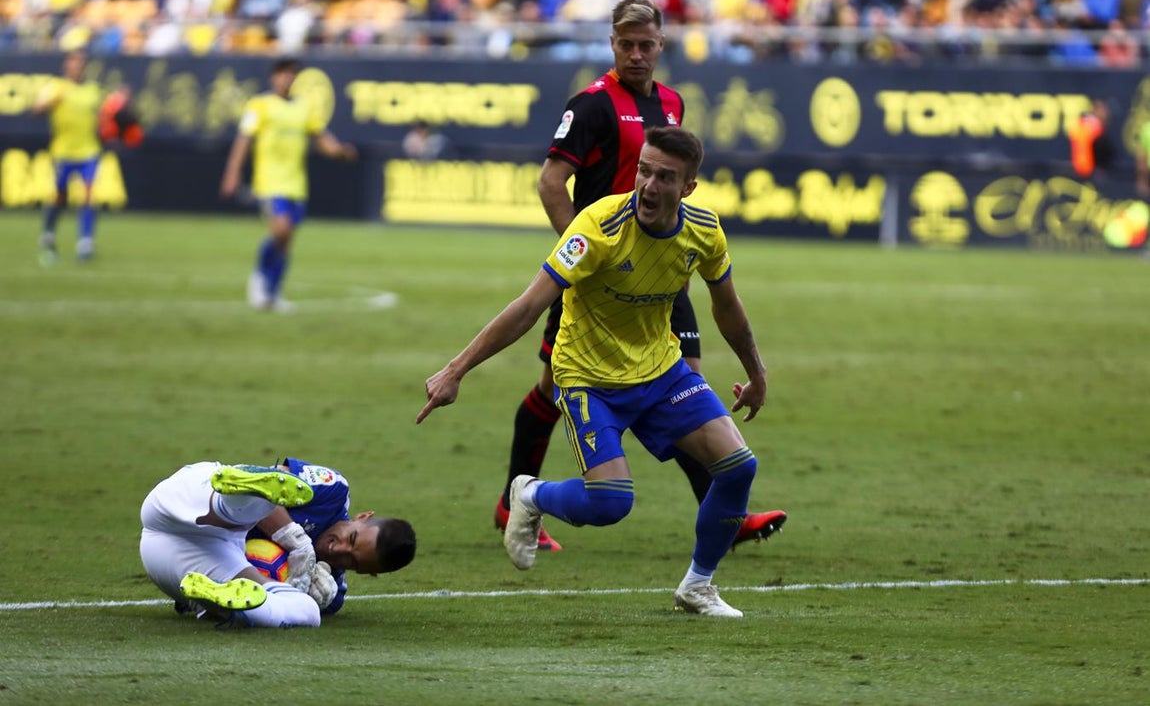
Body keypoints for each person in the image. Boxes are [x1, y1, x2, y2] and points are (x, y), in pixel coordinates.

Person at [419, 127, 768, 617]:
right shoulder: (598, 227)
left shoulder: (704, 231)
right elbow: (528, 306)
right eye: (644, 170)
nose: (648, 185)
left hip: (661, 371)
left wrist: (757, 373)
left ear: (688, 187)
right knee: (610, 504)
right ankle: (531, 493)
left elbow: (727, 307)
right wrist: (456, 370)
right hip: (588, 378)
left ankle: (698, 586)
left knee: (738, 467)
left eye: (664, 177)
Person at [493, 0, 784, 553]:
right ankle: (515, 500)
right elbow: (552, 182)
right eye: (625, 44)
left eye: (645, 44)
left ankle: (724, 508)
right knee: (553, 390)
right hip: (598, 276)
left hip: (662, 271)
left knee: (683, 384)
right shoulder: (594, 105)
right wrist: (578, 259)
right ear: (612, 45)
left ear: (660, 46)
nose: (635, 54)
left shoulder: (671, 104)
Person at [139, 459, 416, 628]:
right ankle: (240, 487)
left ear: (367, 573)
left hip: (174, 558)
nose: (338, 550)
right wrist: (296, 542)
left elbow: (316, 603)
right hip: (185, 501)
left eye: (353, 561)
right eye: (352, 538)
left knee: (307, 613)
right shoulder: (333, 491)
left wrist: (300, 595)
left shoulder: (328, 590)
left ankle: (224, 600)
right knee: (253, 502)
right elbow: (277, 474)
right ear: (363, 517)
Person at [220, 58, 357, 312]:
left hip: (296, 184)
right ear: (274, 77)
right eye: (283, 74)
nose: (288, 79)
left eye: (292, 75)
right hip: (270, 183)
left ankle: (272, 293)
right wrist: (232, 173)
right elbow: (244, 140)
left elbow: (321, 138)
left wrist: (339, 152)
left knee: (286, 240)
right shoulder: (260, 105)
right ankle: (260, 277)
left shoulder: (304, 108)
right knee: (280, 231)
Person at [31, 49, 103, 266]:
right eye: (73, 64)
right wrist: (46, 104)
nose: (77, 68)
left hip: (89, 150)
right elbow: (36, 109)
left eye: (80, 64)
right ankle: (49, 232)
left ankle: (85, 242)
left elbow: (102, 120)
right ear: (67, 66)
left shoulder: (93, 90)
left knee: (89, 196)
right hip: (63, 151)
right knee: (60, 198)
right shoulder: (56, 88)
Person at [1068, 98, 1114, 179]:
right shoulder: (1095, 126)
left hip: (1079, 169)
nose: (1106, 113)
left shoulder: (1081, 122)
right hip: (1091, 171)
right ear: (1095, 110)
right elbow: (1101, 150)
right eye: (1103, 109)